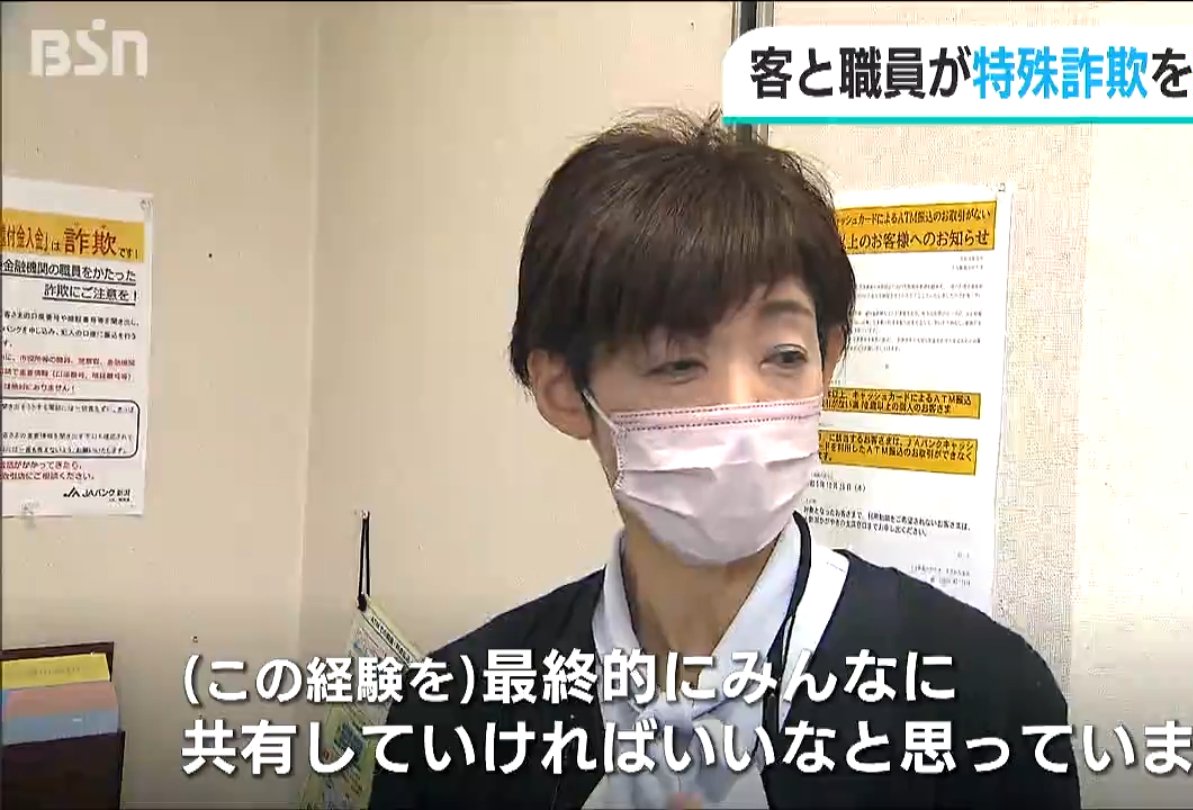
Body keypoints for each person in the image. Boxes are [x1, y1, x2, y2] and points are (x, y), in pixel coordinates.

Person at [369, 108, 1080, 810]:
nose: (742, 411)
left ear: (829, 361)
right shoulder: (455, 714)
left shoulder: (984, 698)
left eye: (785, 356)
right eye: (679, 363)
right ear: (563, 391)